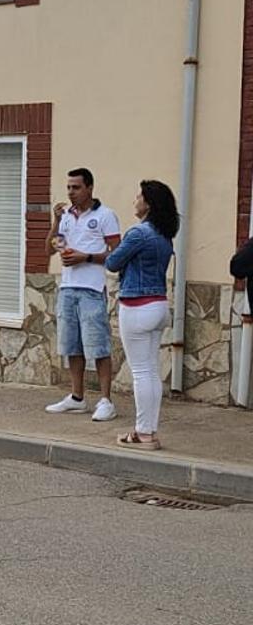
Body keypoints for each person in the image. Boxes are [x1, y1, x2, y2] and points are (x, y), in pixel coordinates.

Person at [105, 181, 179, 450]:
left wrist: (115, 248)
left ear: (148, 203)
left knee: (141, 372)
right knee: (151, 372)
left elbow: (112, 263)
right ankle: (148, 430)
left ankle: (143, 433)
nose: (135, 200)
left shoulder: (138, 232)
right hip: (158, 304)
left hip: (137, 306)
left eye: (138, 196)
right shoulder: (164, 235)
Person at [44, 168, 122, 421]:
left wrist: (87, 257)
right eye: (68, 187)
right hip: (67, 287)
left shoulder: (105, 216)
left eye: (76, 187)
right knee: (72, 345)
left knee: (98, 346)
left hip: (91, 289)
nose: (70, 192)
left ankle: (106, 400)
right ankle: (77, 397)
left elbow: (118, 255)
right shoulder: (66, 217)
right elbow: (50, 249)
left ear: (89, 188)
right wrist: (55, 222)